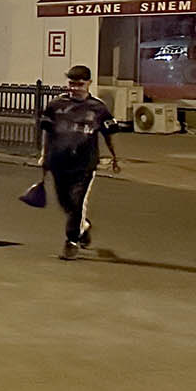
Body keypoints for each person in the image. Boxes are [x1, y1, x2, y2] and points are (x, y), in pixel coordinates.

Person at [38, 64, 120, 259]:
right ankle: (83, 226)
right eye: (72, 83)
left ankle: (71, 241)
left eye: (79, 84)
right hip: (59, 161)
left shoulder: (98, 108)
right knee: (65, 202)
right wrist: (44, 155)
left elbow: (108, 135)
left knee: (77, 202)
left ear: (89, 83)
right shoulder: (56, 105)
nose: (75, 88)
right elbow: (48, 132)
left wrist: (115, 158)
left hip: (85, 164)